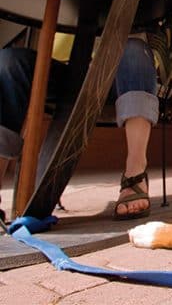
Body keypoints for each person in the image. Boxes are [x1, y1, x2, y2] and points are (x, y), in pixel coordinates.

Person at [0, 32, 158, 221]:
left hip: (118, 78)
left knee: (134, 49)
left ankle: (136, 173)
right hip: (71, 72)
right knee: (9, 62)